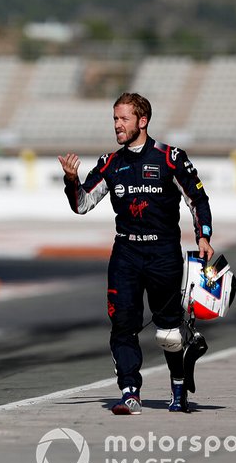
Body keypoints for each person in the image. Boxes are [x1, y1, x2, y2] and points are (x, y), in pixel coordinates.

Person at [58, 92, 213, 415]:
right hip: (126, 253)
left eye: (123, 119)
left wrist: (204, 236)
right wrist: (71, 180)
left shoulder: (171, 157)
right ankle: (130, 392)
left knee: (169, 333)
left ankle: (179, 387)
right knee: (122, 325)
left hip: (163, 252)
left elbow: (197, 200)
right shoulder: (110, 163)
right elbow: (82, 204)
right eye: (115, 119)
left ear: (142, 121)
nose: (117, 125)